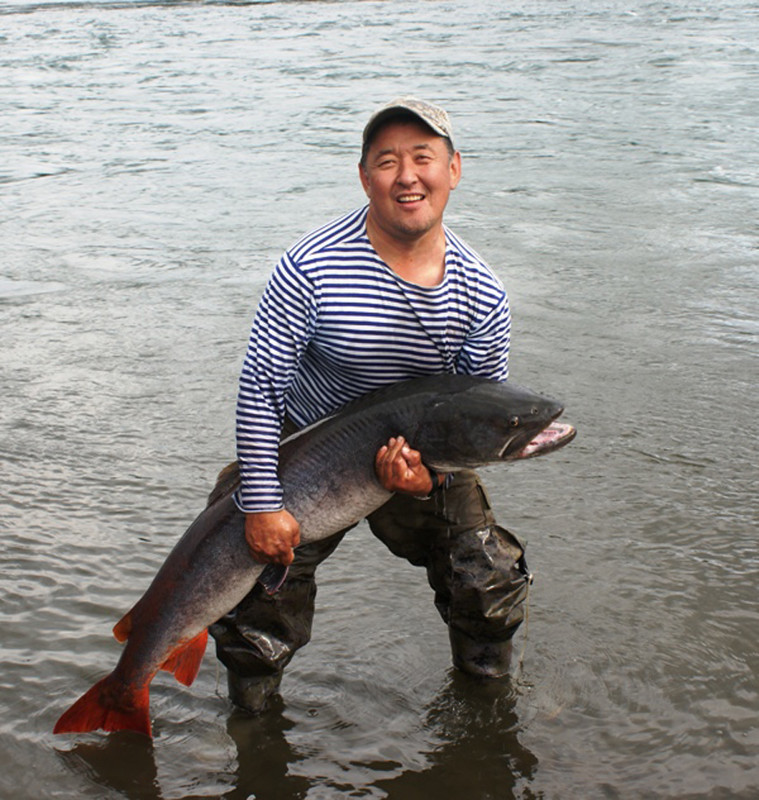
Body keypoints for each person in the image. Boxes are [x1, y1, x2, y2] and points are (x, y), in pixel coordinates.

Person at [209, 97, 531, 713]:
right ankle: (252, 725)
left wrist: (427, 477)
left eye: (423, 158)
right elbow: (259, 390)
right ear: (365, 177)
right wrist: (261, 502)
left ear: (455, 168)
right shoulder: (309, 267)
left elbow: (483, 418)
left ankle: (486, 713)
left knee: (486, 582)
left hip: (420, 452)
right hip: (308, 444)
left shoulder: (482, 291)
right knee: (257, 608)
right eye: (387, 161)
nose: (407, 176)